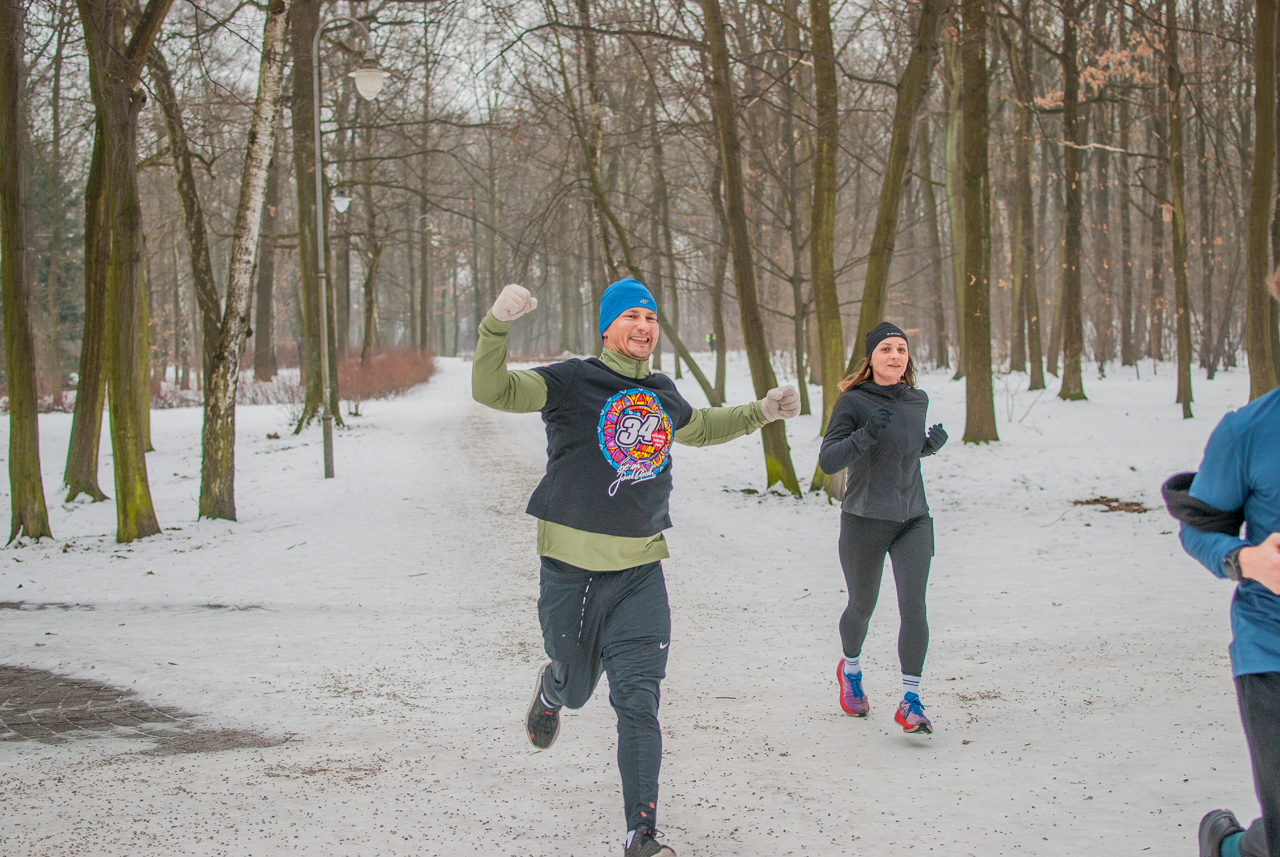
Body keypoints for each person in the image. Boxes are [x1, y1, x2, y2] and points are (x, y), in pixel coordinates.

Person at [472, 277, 800, 857]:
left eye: (651, 317)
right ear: (607, 326)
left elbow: (698, 428)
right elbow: (494, 391)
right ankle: (552, 691)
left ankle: (641, 834)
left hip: (641, 571)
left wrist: (762, 412)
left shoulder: (662, 392)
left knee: (638, 701)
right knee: (576, 691)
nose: (643, 326)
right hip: (570, 569)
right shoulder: (571, 380)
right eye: (631, 317)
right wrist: (496, 324)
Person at [1167, 276, 1280, 857]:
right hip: (1272, 651)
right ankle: (1229, 846)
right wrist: (1247, 558)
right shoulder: (1249, 431)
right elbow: (1198, 531)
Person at [817, 321, 947, 734]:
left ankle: (911, 699)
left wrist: (927, 447)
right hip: (864, 521)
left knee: (915, 608)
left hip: (913, 519)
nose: (895, 356)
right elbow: (829, 460)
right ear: (871, 358)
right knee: (862, 606)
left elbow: (902, 453)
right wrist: (865, 434)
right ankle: (851, 669)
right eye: (886, 349)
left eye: (901, 350)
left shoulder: (917, 400)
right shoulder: (853, 402)